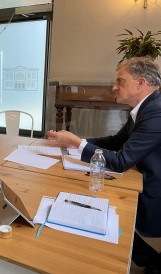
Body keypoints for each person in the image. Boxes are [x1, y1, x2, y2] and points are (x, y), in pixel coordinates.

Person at [47, 57, 161, 274]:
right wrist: (74, 141)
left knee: (110, 214)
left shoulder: (156, 112)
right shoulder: (144, 108)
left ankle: (152, 262)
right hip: (141, 177)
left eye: (120, 81)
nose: (114, 87)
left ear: (140, 83)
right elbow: (115, 142)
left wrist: (76, 143)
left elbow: (120, 161)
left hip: (154, 188)